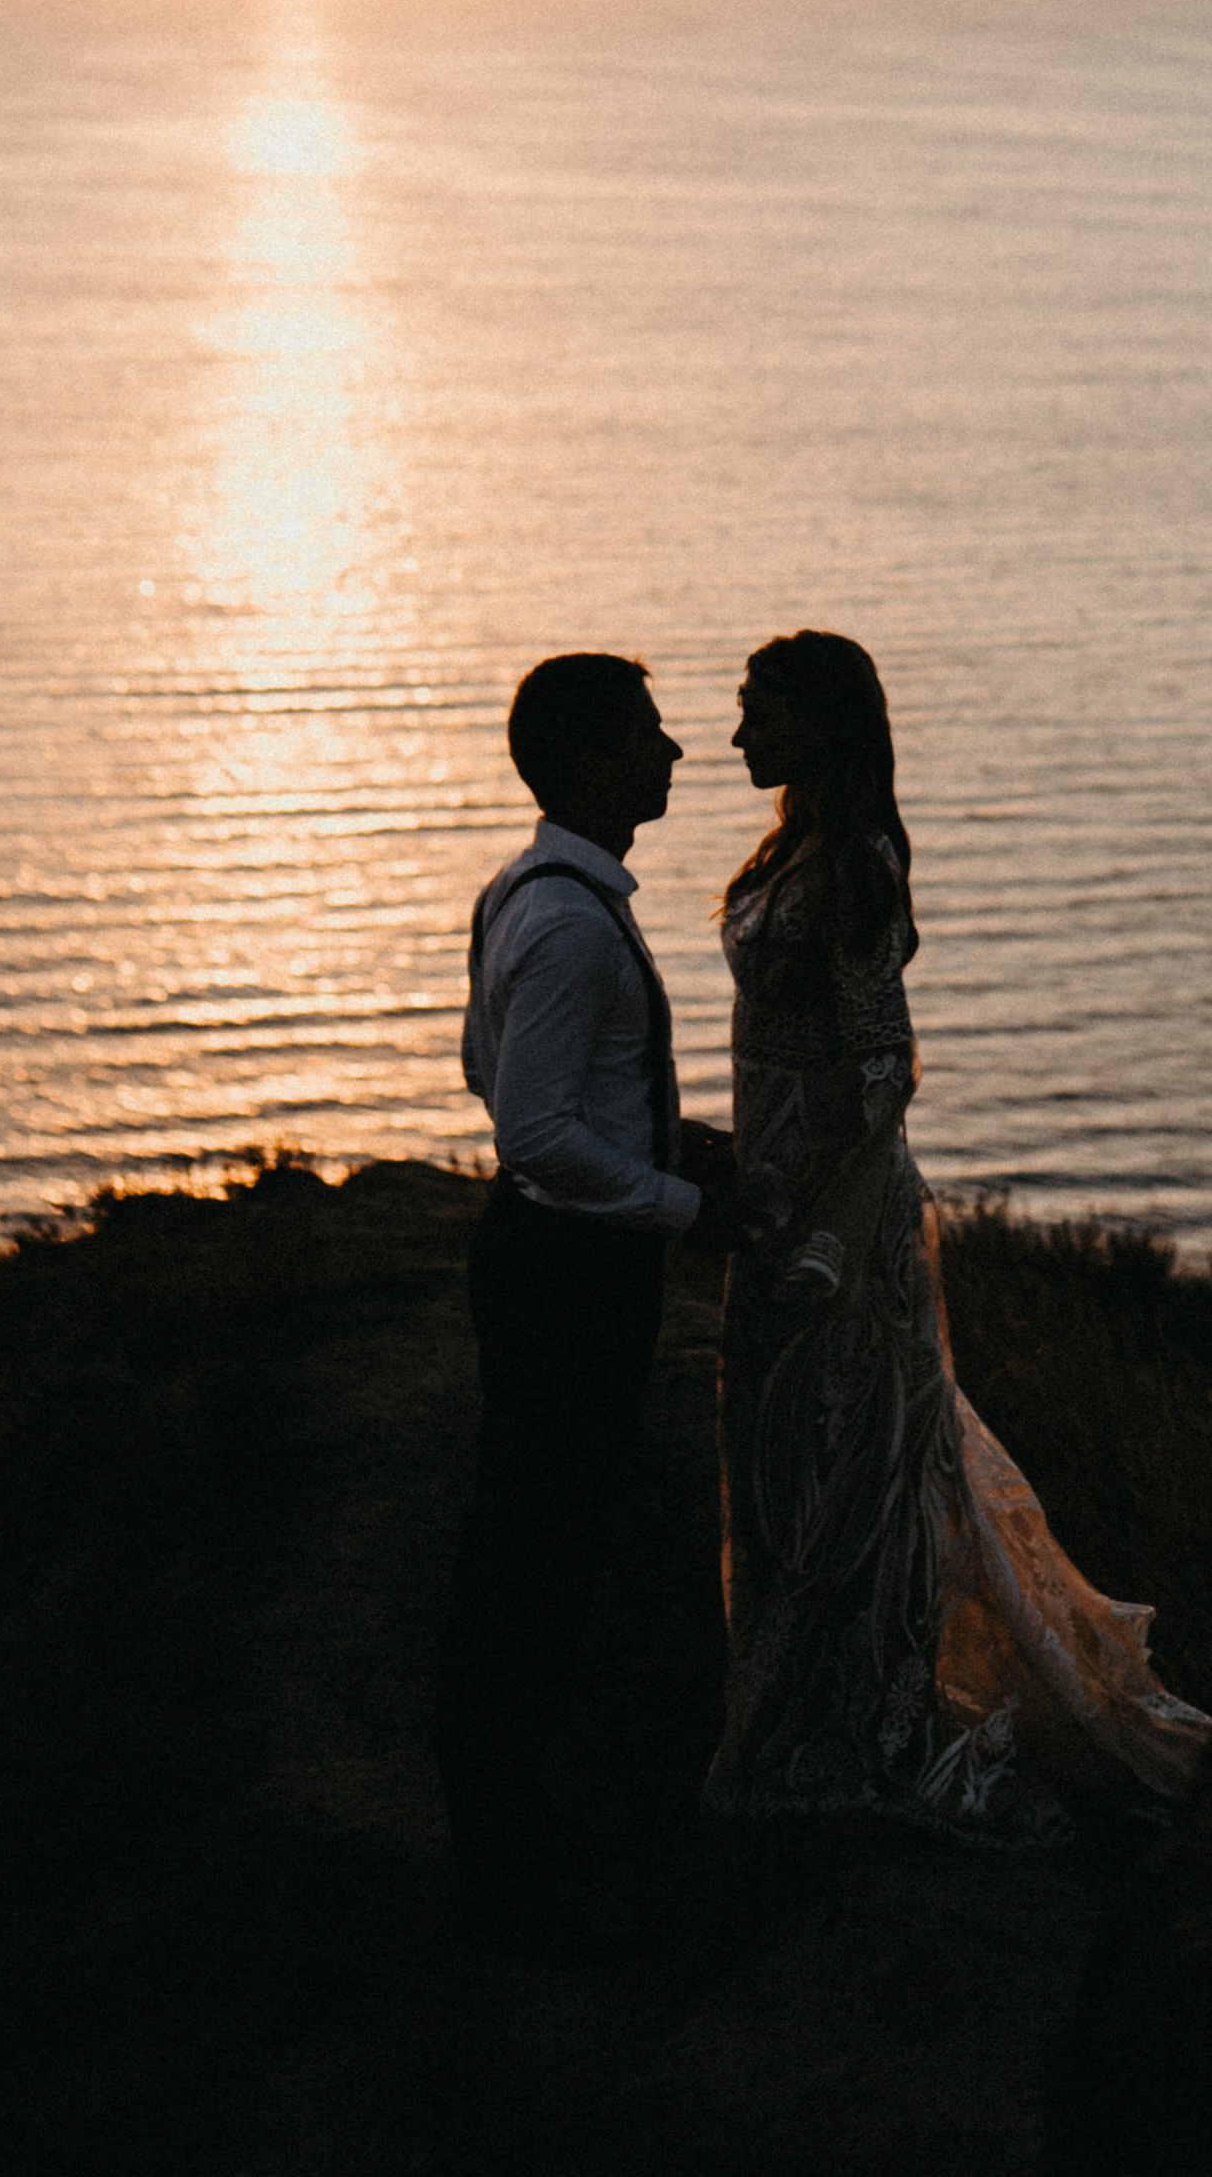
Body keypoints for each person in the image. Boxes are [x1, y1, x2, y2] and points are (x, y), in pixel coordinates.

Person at [705, 629, 1212, 1838]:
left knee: (853, 1476)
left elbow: (882, 1073)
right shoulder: (795, 850)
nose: (738, 737)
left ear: (820, 725)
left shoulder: (858, 869)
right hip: (772, 1203)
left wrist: (821, 1222)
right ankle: (784, 1707)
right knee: (779, 1465)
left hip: (835, 1222)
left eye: (758, 714)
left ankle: (863, 1719)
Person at [436, 650, 734, 1942]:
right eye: (647, 733)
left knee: (536, 1530)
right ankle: (506, 1838)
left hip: (546, 1258)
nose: (673, 753)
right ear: (587, 761)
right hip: (570, 1271)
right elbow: (537, 1135)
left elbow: (482, 1065)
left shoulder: (525, 891)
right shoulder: (565, 921)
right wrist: (684, 1207)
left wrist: (668, 1143)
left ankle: (506, 1808)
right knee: (540, 1544)